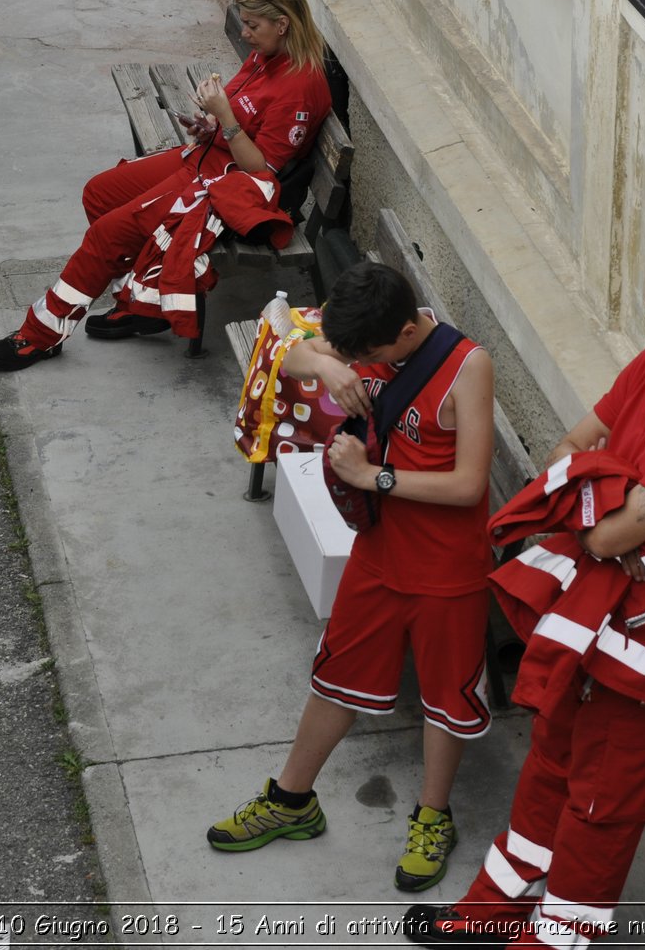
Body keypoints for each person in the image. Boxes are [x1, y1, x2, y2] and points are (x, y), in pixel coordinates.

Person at [406, 254, 645, 947]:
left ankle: (556, 938)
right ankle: (499, 902)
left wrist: (595, 497)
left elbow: (603, 529)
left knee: (605, 797)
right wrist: (600, 494)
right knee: (553, 752)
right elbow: (572, 452)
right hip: (597, 602)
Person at [206, 261, 497, 893]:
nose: (358, 362)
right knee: (336, 675)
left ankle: (432, 816)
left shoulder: (467, 366)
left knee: (446, 699)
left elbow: (471, 484)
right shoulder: (363, 337)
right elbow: (285, 349)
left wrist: (373, 477)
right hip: (379, 552)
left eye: (365, 355)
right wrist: (332, 366)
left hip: (448, 570)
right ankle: (291, 801)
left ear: (403, 334)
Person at [0, 0, 333, 370]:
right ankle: (142, 307)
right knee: (99, 192)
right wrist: (210, 124)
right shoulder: (267, 54)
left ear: (283, 24)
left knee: (106, 235)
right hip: (204, 155)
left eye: (253, 26)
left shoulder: (302, 86)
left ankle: (40, 336)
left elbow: (263, 170)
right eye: (245, 24)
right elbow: (237, 117)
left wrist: (225, 118)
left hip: (222, 183)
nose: (246, 34)